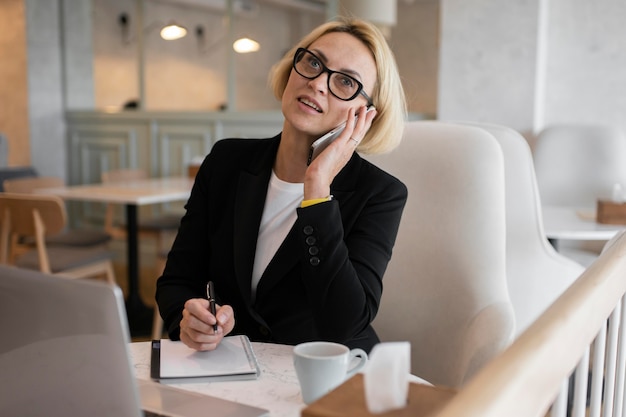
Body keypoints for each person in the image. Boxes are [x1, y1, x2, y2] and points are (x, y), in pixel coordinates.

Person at [156, 17, 408, 353]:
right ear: (293, 67)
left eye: (346, 82)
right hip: (234, 366)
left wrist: (317, 190)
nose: (318, 83)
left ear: (365, 114)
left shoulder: (379, 194)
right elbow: (177, 280)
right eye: (314, 63)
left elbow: (343, 323)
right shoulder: (226, 161)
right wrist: (187, 319)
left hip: (324, 374)